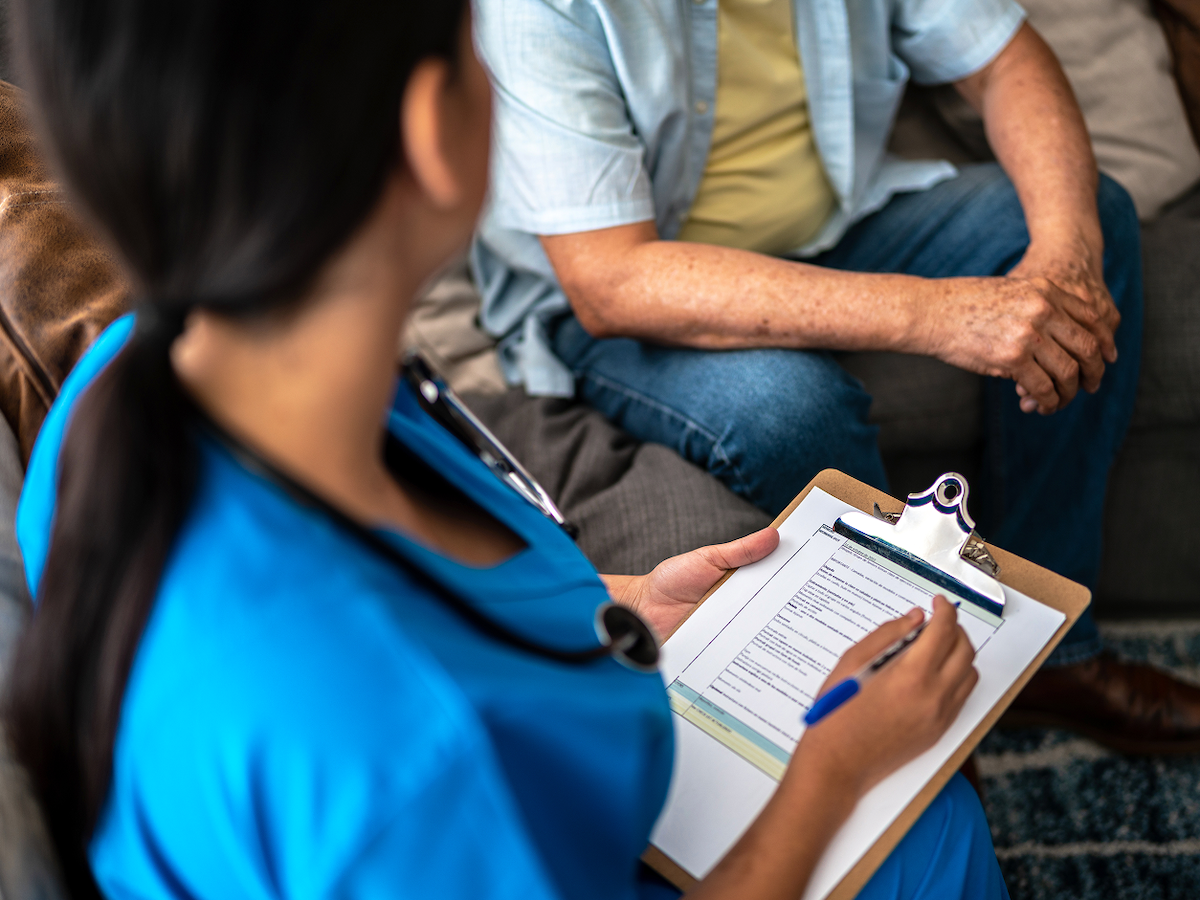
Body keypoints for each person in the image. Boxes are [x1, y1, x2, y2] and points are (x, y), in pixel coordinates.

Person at [3, 0, 1006, 898]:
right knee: (931, 824)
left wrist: (622, 603)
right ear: (431, 125)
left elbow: (417, 593)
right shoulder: (418, 757)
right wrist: (832, 771)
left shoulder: (125, 388)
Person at [469, 0, 1200, 751]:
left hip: (836, 228)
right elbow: (611, 282)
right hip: (632, 295)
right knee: (789, 408)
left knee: (1094, 215)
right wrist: (942, 314)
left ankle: (1048, 659)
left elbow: (1006, 61)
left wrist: (1064, 259)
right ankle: (910, 708)